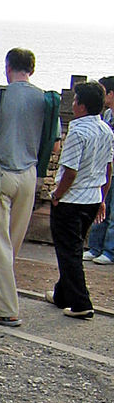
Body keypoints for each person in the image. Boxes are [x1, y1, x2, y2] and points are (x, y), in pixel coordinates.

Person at [0, 48, 53, 327]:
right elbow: (52, 143)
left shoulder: (0, 94)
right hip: (29, 176)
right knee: (11, 242)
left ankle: (5, 308)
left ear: (8, 67)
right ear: (32, 69)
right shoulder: (45, 99)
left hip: (1, 173)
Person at [46, 80, 113, 320]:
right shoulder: (106, 129)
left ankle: (80, 301)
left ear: (82, 106)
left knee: (68, 251)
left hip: (72, 199)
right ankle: (61, 294)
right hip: (93, 196)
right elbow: (108, 168)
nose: (73, 105)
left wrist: (57, 195)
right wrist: (103, 197)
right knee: (73, 247)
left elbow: (70, 171)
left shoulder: (77, 131)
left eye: (75, 101)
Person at [82, 76, 114, 266]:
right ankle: (95, 247)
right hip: (104, 168)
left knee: (112, 212)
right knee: (100, 207)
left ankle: (109, 250)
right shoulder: (107, 115)